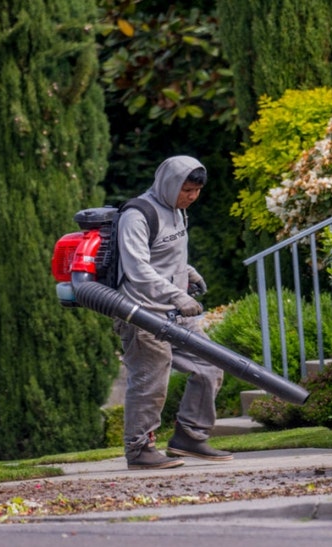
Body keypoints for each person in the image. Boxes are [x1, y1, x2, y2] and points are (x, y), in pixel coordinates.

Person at [114, 155, 233, 470]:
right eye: (187, 190)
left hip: (175, 312)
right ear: (168, 183)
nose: (191, 197)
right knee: (151, 381)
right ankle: (139, 450)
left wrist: (187, 272)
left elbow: (165, 255)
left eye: (196, 191)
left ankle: (189, 437)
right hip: (142, 313)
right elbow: (137, 268)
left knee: (209, 366)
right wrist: (177, 294)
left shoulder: (179, 212)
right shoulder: (137, 215)